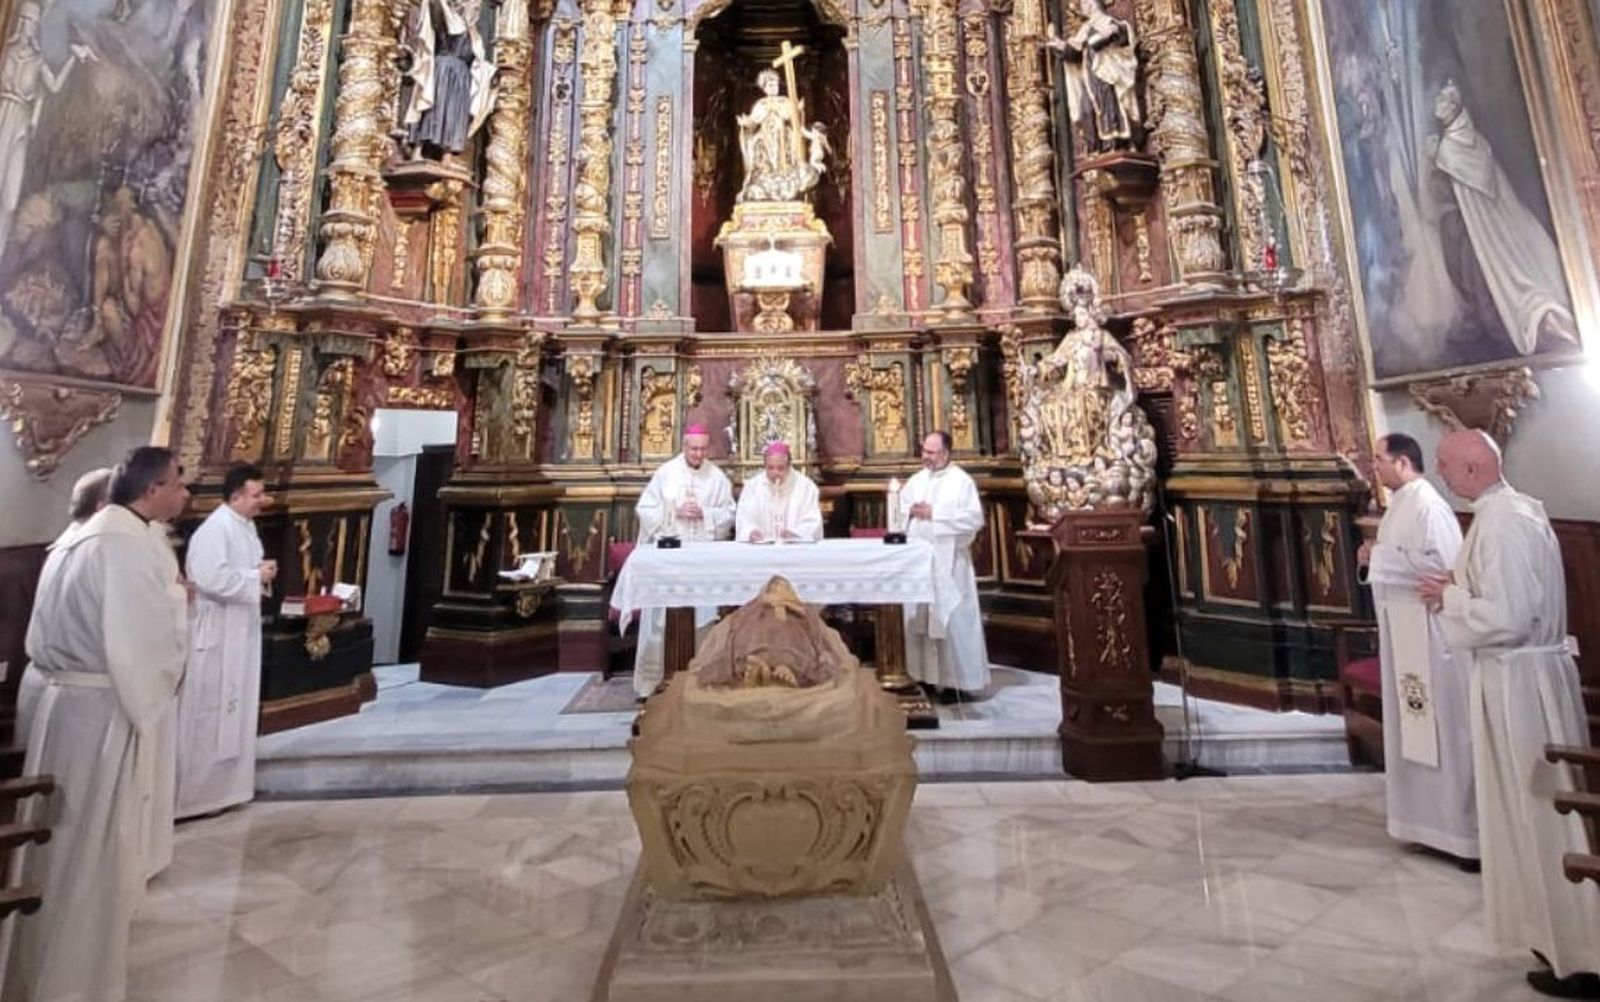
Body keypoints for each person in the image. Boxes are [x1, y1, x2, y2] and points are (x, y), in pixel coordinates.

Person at [2, 446, 190, 1002]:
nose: (183, 493)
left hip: (59, 701)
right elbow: (142, 643)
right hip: (94, 713)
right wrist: (177, 613)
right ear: (151, 490)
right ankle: (73, 981)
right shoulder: (124, 546)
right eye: (177, 482)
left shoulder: (85, 533)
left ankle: (35, 967)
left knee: (52, 842)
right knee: (84, 848)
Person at [1418, 429, 1600, 998]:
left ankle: (1583, 951)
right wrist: (1457, 589)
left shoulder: (1502, 521)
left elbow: (1510, 616)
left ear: (1474, 467)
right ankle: (1557, 939)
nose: (1441, 472)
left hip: (1523, 684)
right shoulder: (1509, 513)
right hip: (1516, 678)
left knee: (1542, 811)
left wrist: (1447, 597)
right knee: (1527, 814)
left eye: (1447, 464)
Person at [1356, 432, 1476, 867]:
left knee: (1445, 729)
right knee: (1416, 726)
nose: (1375, 466)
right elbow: (1401, 561)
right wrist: (1374, 554)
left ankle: (1461, 832)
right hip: (1406, 630)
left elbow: (1446, 571)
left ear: (1404, 462)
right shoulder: (1401, 505)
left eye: (1380, 459)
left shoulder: (1429, 506)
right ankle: (1424, 823)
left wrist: (1381, 558)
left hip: (1431, 637)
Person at [176, 463, 277, 820]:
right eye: (255, 494)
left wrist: (259, 574)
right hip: (216, 631)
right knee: (208, 712)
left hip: (239, 626)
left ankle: (227, 789)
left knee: (235, 705)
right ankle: (195, 795)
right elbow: (209, 578)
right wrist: (255, 575)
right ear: (235, 496)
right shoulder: (214, 530)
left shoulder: (244, 527)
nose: (262, 501)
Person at [631, 425, 736, 697]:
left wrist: (706, 514)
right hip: (670, 557)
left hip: (702, 558)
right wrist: (674, 511)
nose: (698, 454)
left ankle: (701, 677)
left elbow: (729, 514)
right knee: (662, 618)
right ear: (684, 445)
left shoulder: (717, 478)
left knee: (703, 616)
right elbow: (645, 509)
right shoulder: (666, 473)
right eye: (693, 449)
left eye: (703, 449)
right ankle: (656, 680)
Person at [899, 431, 989, 701]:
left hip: (950, 563)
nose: (926, 456)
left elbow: (974, 519)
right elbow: (900, 510)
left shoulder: (961, 482)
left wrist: (935, 513)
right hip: (920, 563)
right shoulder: (916, 480)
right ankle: (923, 678)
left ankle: (955, 683)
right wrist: (909, 511)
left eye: (932, 452)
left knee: (953, 620)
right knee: (921, 621)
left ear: (946, 453)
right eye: (924, 451)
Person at [734, 442, 822, 543]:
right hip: (760, 552)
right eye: (770, 468)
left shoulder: (806, 488)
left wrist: (796, 534)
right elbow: (745, 518)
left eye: (780, 468)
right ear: (764, 465)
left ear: (789, 466)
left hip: (796, 551)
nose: (775, 473)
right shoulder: (752, 487)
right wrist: (752, 532)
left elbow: (812, 521)